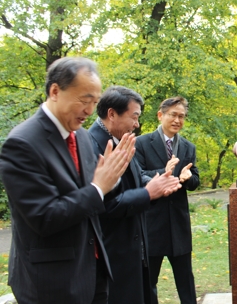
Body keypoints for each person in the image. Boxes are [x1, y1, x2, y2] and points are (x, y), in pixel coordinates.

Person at [0, 57, 135, 304]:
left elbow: (95, 195)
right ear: (55, 91)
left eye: (95, 102)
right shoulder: (22, 144)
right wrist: (99, 187)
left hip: (93, 272)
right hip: (52, 282)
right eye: (84, 100)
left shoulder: (81, 137)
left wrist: (111, 180)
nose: (90, 110)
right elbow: (45, 216)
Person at [88, 86, 181, 304]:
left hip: (135, 246)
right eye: (134, 117)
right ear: (112, 114)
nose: (137, 124)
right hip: (114, 251)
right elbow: (103, 205)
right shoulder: (93, 146)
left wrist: (158, 182)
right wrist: (148, 193)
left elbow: (138, 177)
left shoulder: (122, 140)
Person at [135, 96, 200, 304]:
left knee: (186, 280)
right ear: (160, 115)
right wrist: (164, 173)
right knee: (148, 281)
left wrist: (188, 178)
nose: (177, 120)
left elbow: (195, 178)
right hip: (152, 222)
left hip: (179, 225)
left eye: (181, 116)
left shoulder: (188, 147)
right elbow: (138, 176)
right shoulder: (142, 143)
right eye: (173, 115)